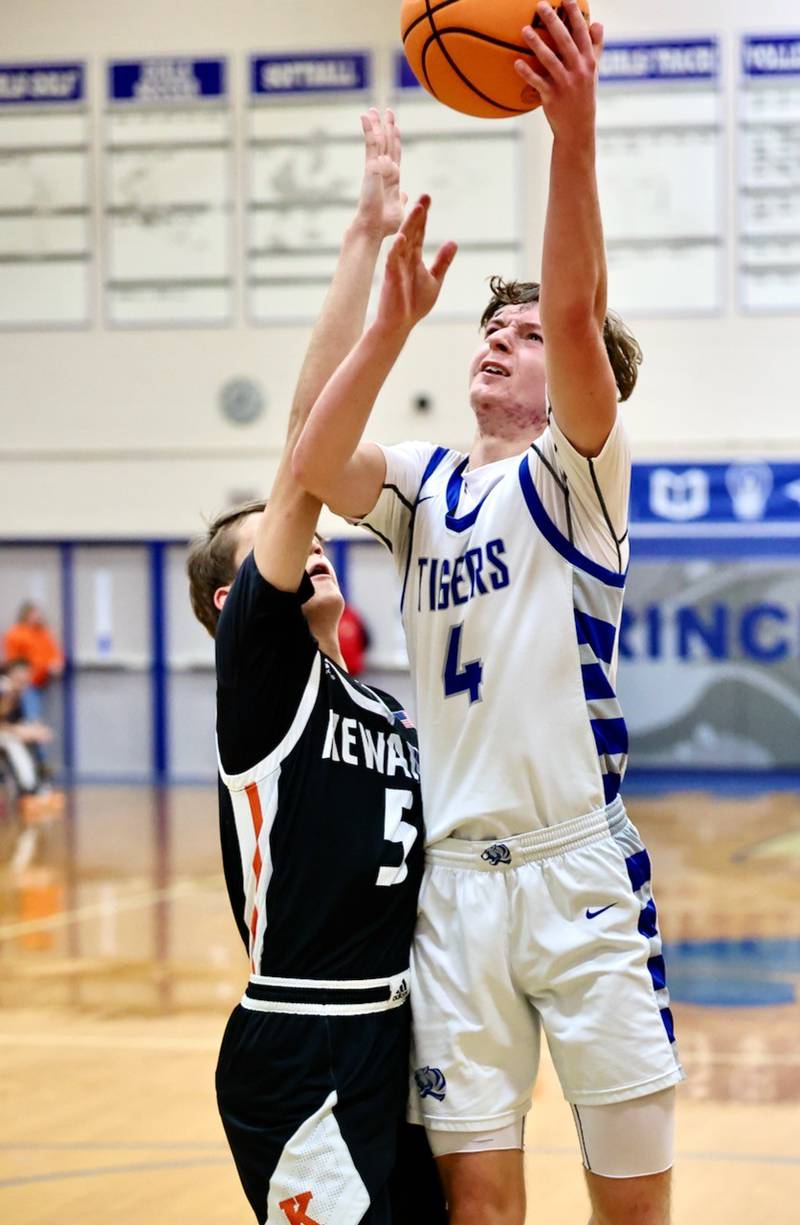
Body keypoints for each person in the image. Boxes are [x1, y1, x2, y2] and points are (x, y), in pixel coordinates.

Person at [292, 5, 684, 1223]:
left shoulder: (577, 474)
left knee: (629, 1210)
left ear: (581, 390)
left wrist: (572, 132)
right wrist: (372, 278)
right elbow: (310, 456)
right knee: (481, 1214)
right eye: (488, 330)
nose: (502, 343)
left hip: (578, 874)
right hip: (451, 889)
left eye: (522, 337)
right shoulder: (422, 488)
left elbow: (577, 318)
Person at [187, 110, 447, 1225]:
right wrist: (374, 302)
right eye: (277, 545)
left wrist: (361, 233)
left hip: (401, 1028)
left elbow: (308, 455)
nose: (309, 540)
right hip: (299, 1042)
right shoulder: (263, 687)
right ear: (230, 600)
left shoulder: (380, 708)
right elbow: (303, 459)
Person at [3, 601, 64, 725]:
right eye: (35, 614)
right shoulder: (16, 634)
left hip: (41, 682)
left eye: (39, 614)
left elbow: (54, 653)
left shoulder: (43, 634)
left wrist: (56, 664)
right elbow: (12, 660)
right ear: (26, 615)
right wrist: (19, 678)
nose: (38, 616)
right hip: (26, 684)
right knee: (32, 718)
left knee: (31, 716)